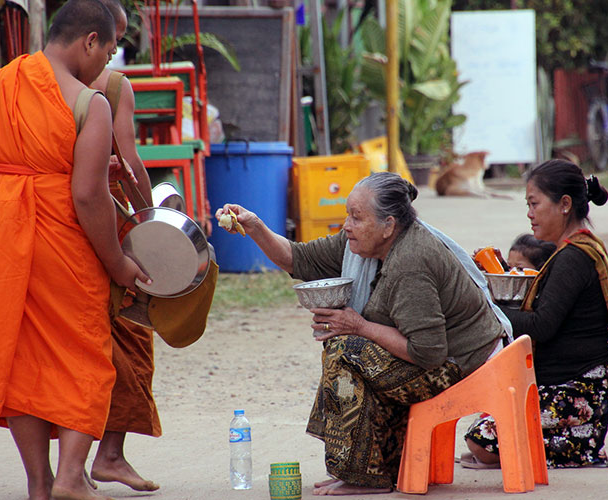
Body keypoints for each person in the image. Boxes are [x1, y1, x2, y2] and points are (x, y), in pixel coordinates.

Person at [0, 1, 149, 499]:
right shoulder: (90, 103)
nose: (107, 63)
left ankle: (39, 485)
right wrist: (120, 262)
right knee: (85, 351)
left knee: (19, 358)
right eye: (107, 51)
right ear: (88, 41)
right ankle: (69, 478)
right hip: (57, 238)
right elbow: (88, 195)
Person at [216, 171, 510, 495]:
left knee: (347, 351)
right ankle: (376, 466)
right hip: (433, 355)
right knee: (346, 346)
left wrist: (359, 326)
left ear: (388, 226)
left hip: (462, 362)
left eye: (356, 217)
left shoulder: (410, 261)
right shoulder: (358, 245)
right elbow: (299, 259)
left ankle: (361, 475)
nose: (347, 225)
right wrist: (255, 226)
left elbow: (428, 352)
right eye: (348, 215)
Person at [463, 159, 608, 470]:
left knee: (481, 442)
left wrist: (485, 308)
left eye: (534, 203)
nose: (529, 213)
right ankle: (567, 444)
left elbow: (541, 326)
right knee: (482, 432)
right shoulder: (571, 251)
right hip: (572, 388)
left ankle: (577, 446)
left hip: (578, 392)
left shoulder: (573, 257)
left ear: (564, 204)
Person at [86, 0, 161, 493]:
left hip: (50, 223)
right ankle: (108, 454)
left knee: (65, 344)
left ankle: (58, 470)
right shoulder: (112, 87)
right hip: (101, 222)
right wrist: (152, 225)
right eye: (114, 40)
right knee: (130, 333)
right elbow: (128, 162)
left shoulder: (30, 78)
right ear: (92, 35)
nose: (116, 52)